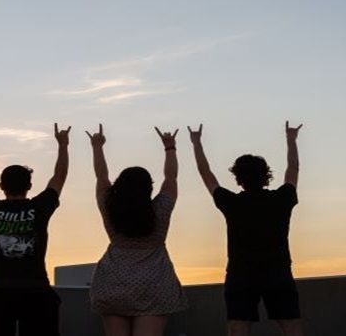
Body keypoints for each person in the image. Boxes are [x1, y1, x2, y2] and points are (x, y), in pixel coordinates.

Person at [189, 122, 304, 336]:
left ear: (238, 179)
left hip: (241, 272)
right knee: (291, 324)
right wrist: (291, 139)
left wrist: (196, 143)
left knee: (238, 326)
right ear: (266, 175)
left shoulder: (231, 203)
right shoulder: (282, 198)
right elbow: (293, 169)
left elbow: (205, 173)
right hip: (277, 270)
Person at [0, 123, 71, 336]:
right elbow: (59, 176)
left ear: (1, 186)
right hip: (36, 289)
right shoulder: (39, 207)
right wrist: (63, 145)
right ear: (29, 185)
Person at [87, 125, 189, 336]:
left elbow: (101, 177)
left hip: (112, 284)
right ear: (148, 188)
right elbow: (171, 179)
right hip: (154, 285)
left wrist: (97, 147)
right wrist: (170, 149)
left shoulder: (109, 207)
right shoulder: (161, 209)